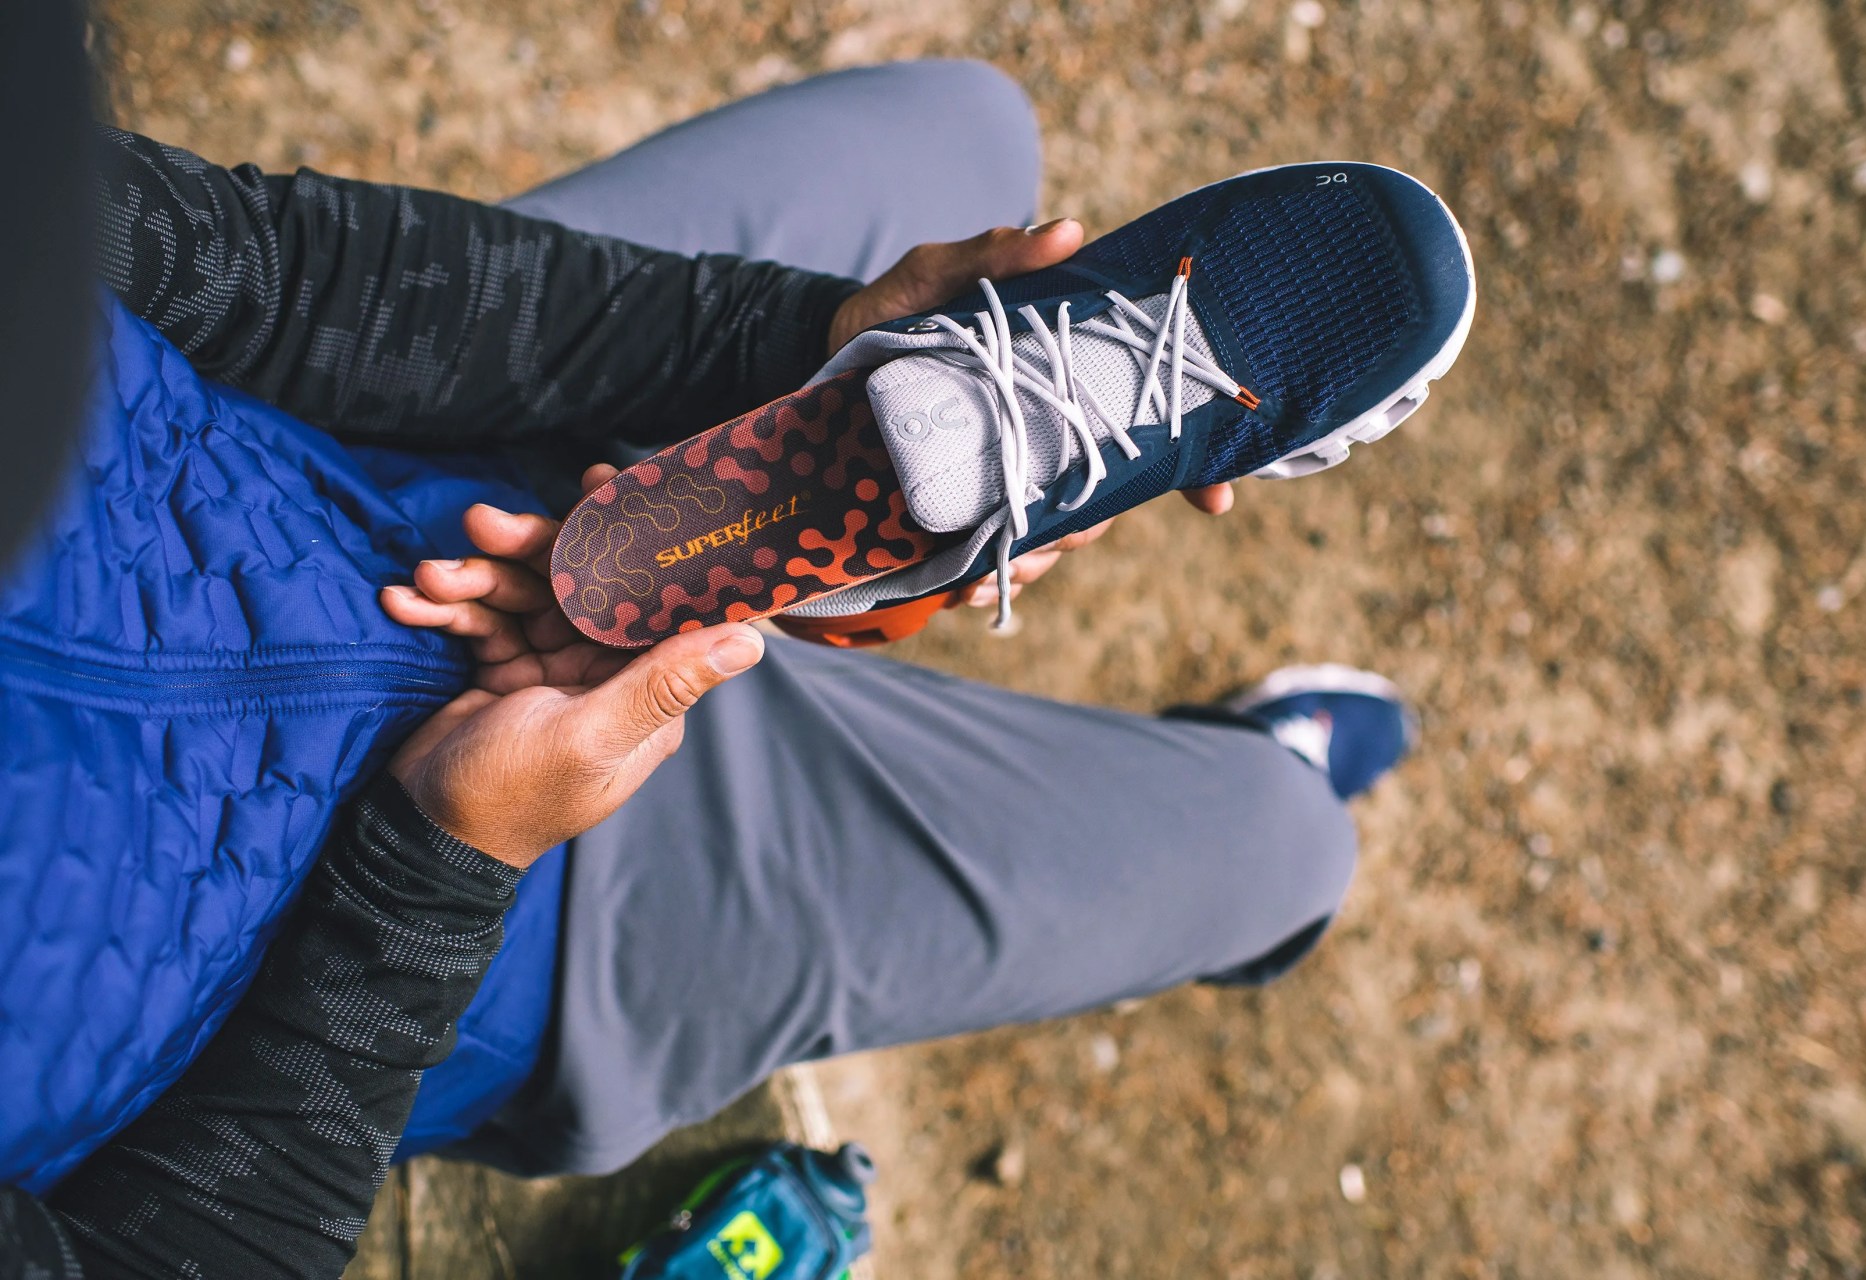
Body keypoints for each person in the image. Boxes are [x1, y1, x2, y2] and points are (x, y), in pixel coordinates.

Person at [6, 53, 1410, 1274]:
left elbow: (249, 259)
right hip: (503, 921)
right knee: (1285, 848)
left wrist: (782, 342)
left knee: (964, 137)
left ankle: (865, 519)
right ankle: (1256, 781)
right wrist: (445, 855)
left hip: (379, 486)